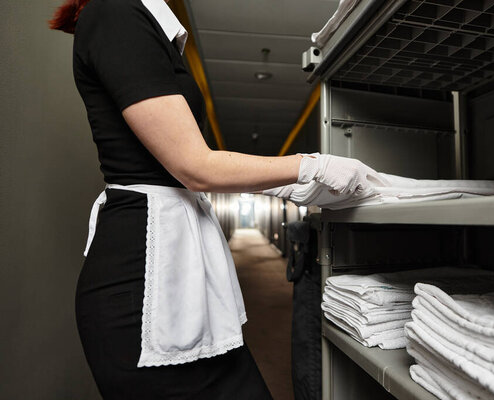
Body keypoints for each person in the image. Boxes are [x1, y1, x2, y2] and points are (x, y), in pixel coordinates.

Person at [49, 0, 383, 398]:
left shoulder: (140, 22)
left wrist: (286, 184)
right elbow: (195, 166)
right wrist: (310, 167)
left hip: (171, 270)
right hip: (144, 285)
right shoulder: (115, 11)